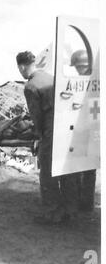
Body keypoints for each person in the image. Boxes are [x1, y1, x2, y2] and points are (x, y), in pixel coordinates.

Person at [16, 51, 79, 224]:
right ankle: (70, 210)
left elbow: (37, 117)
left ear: (21, 67)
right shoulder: (51, 77)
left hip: (51, 129)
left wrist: (38, 137)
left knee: (47, 172)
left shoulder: (31, 86)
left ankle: (52, 213)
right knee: (66, 169)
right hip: (66, 126)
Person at [70, 49, 96, 212]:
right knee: (83, 167)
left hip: (89, 129)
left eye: (80, 67)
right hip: (84, 129)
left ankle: (85, 203)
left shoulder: (92, 82)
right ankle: (84, 202)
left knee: (87, 168)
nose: (78, 70)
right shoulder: (87, 81)